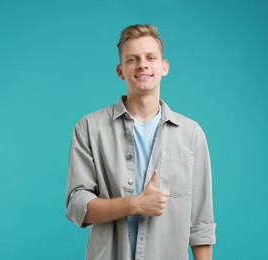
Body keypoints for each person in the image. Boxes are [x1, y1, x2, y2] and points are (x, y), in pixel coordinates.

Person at [66, 24, 216, 260]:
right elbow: (77, 206)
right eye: (132, 59)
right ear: (120, 71)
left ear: (164, 67)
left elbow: (201, 224)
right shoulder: (89, 128)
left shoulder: (191, 134)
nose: (142, 64)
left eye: (150, 57)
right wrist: (135, 204)